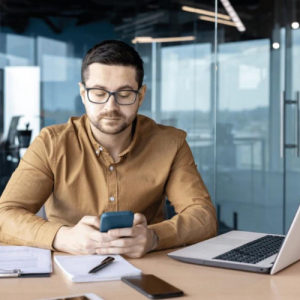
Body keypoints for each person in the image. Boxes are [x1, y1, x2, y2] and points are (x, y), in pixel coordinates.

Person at [0, 40, 217, 258]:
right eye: (99, 93)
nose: (111, 107)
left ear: (140, 96)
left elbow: (204, 217)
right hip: (68, 270)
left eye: (124, 95)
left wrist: (154, 237)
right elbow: (4, 215)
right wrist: (64, 237)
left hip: (148, 269)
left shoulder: (170, 143)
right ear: (83, 94)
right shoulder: (51, 144)